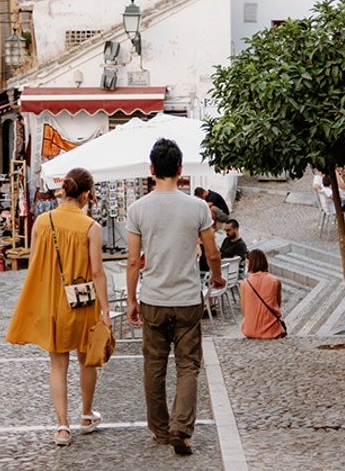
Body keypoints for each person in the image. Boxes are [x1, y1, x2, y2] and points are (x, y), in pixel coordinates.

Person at [126, 138, 224, 457]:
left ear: (152, 170)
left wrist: (131, 300)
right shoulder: (197, 207)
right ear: (181, 170)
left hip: (153, 297)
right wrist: (218, 276)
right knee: (188, 365)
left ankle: (159, 428)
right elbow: (211, 251)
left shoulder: (137, 209)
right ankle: (180, 427)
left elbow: (131, 260)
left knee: (154, 364)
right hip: (187, 299)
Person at [6, 168, 111, 447]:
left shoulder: (42, 221)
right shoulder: (91, 227)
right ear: (87, 193)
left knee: (57, 364)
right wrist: (106, 310)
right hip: (83, 303)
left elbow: (36, 262)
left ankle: (62, 427)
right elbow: (98, 272)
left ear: (64, 190)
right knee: (87, 359)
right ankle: (86, 416)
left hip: (54, 302)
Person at [239, 250, 284, 340]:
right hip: (272, 330)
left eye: (248, 263)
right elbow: (277, 305)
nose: (247, 266)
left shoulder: (244, 283)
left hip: (250, 330)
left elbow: (244, 311)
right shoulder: (275, 281)